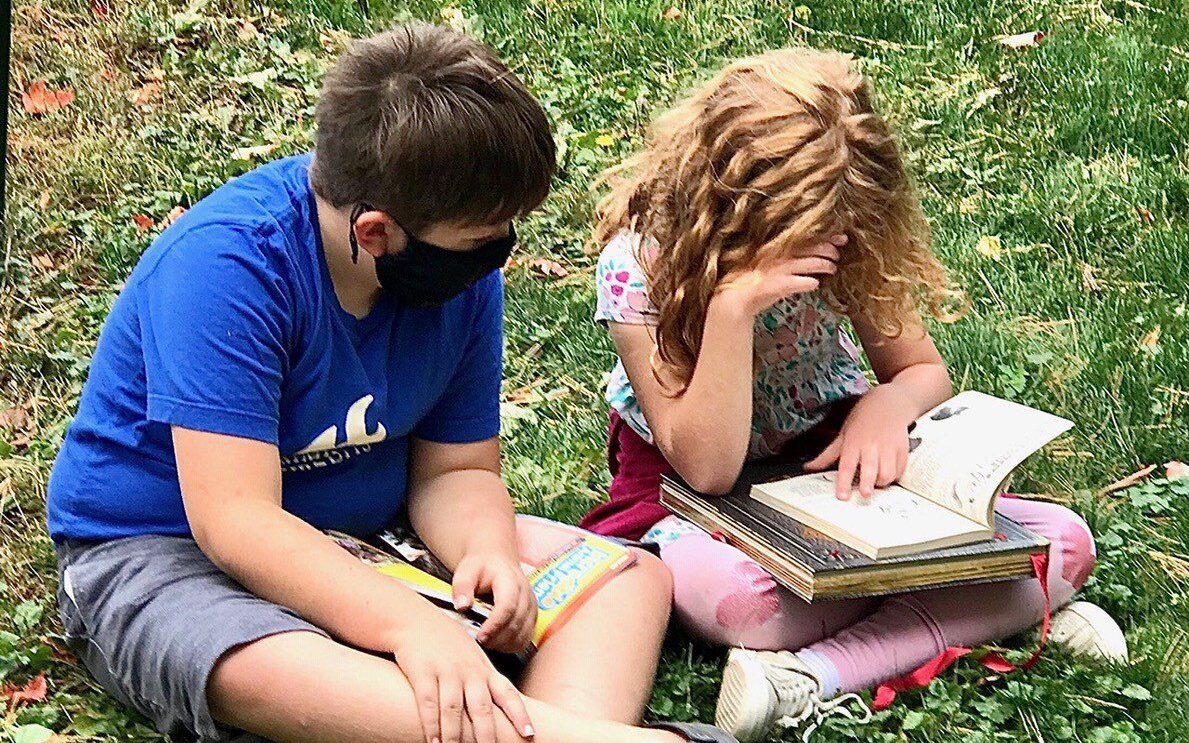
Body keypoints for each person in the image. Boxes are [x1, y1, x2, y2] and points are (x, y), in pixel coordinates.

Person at [46, 23, 737, 743]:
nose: (499, 253)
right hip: (166, 552)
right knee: (273, 667)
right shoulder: (225, 269)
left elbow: (457, 470)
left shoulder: (453, 271)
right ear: (375, 232)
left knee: (626, 580)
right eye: (482, 237)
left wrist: (487, 551)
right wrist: (407, 623)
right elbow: (236, 522)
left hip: (374, 540)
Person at [578, 48, 1128, 742]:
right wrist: (732, 309)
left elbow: (921, 370)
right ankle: (991, 611)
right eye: (798, 235)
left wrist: (885, 405)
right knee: (742, 599)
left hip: (830, 467)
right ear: (726, 207)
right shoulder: (639, 268)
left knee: (1064, 543)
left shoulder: (844, 239)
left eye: (835, 230)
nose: (825, 246)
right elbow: (706, 469)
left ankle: (811, 674)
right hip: (690, 495)